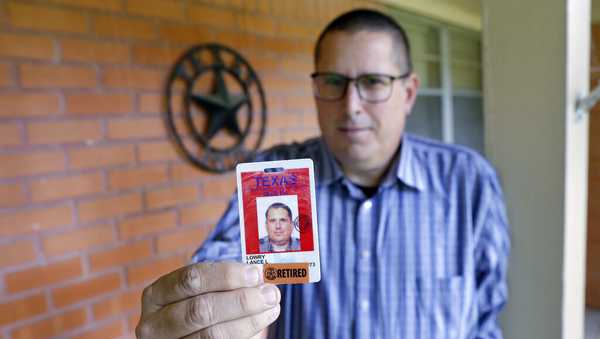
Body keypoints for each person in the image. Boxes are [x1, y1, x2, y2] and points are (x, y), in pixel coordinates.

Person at [135, 8, 510, 339]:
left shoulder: (468, 182)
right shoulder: (275, 173)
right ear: (315, 91)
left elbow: (486, 316)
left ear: (409, 93)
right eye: (333, 82)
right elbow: (226, 257)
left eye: (373, 82)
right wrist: (204, 308)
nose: (351, 106)